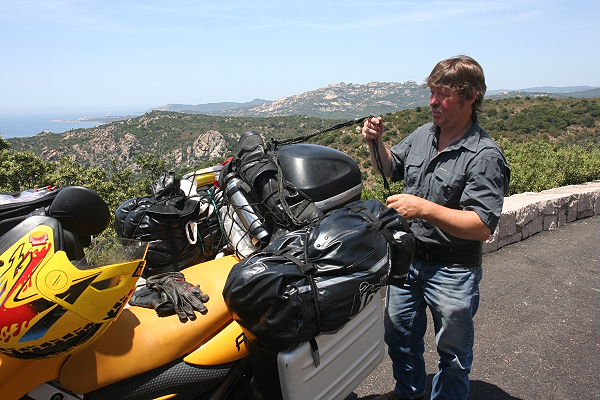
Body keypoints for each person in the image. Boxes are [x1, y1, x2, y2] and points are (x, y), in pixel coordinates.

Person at [362, 55, 510, 400]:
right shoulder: (424, 135)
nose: (432, 102)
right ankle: (409, 392)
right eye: (432, 93)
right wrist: (376, 142)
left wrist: (424, 209)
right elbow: (390, 168)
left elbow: (481, 225)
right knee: (399, 336)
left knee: (453, 354)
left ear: (471, 96)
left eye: (443, 94)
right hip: (408, 261)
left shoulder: (484, 155)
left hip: (453, 270)